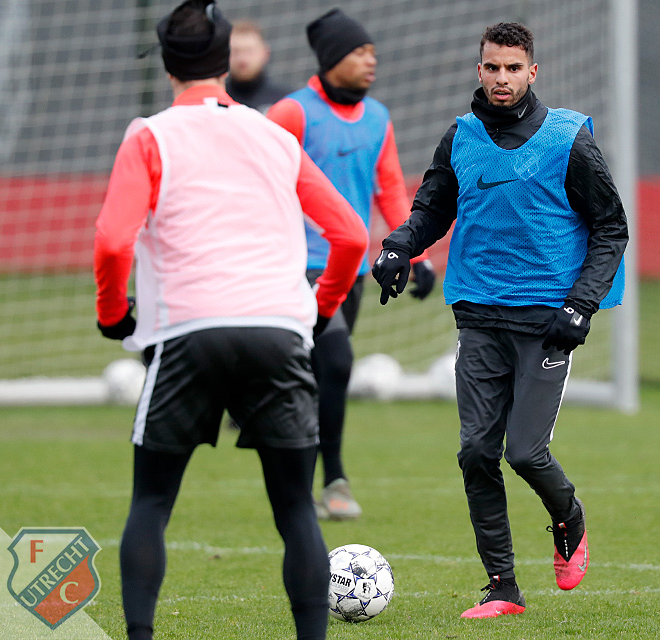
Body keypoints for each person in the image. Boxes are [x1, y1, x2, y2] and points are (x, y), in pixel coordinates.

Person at [93, 2, 368, 639]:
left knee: (152, 501)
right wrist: (320, 310)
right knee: (296, 509)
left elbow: (111, 242)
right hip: (278, 328)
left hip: (187, 332)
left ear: (168, 67)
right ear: (225, 64)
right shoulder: (275, 136)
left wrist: (113, 315)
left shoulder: (149, 136)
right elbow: (352, 234)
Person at [371, 22, 627, 618]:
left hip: (548, 318)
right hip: (479, 314)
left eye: (513, 68)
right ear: (479, 70)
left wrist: (581, 304)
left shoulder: (568, 138)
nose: (502, 78)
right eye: (492, 67)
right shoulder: (460, 137)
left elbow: (612, 227)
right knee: (476, 453)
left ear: (532, 72)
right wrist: (398, 247)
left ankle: (568, 517)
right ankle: (502, 587)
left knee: (526, 453)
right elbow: (432, 209)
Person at [267, 8, 436, 521]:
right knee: (336, 361)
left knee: (321, 377)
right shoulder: (291, 114)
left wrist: (416, 254)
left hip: (352, 270)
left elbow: (390, 189)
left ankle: (299, 480)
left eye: (373, 53)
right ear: (332, 57)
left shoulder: (378, 117)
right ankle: (334, 480)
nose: (371, 61)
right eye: (360, 52)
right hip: (295, 268)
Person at [225, 20, 290, 112]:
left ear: (265, 53)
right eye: (236, 52)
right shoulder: (216, 101)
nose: (243, 59)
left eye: (249, 51)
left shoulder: (285, 100)